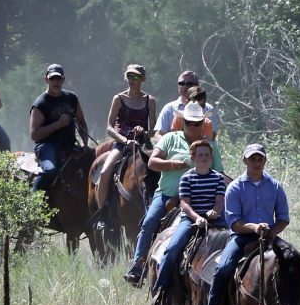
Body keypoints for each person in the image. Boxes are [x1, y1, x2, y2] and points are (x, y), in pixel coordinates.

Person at [207, 141, 300, 305]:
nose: (256, 162)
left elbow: (283, 218)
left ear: (265, 161)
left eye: (260, 158)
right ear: (245, 160)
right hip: (242, 238)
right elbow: (234, 222)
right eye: (252, 158)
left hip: (270, 237)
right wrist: (254, 227)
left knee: (296, 265)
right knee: (224, 268)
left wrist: (271, 233)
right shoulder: (234, 187)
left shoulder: (275, 186)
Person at [124, 102, 206, 285]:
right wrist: (172, 164)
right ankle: (137, 265)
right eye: (189, 122)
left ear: (202, 123)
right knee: (149, 222)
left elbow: (218, 172)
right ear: (182, 121)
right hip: (168, 193)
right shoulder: (170, 139)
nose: (193, 126)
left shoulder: (209, 144)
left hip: (199, 197)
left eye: (197, 123)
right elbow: (152, 163)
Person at [150, 138, 227, 305]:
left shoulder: (218, 178)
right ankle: (161, 288)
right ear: (193, 158)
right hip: (191, 218)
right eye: (200, 155)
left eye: (207, 154)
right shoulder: (186, 178)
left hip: (215, 218)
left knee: (234, 242)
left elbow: (220, 200)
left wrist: (216, 210)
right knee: (173, 247)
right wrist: (197, 217)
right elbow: (184, 203)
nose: (204, 158)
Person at [93, 63, 157, 211]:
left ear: (143, 79)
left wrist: (144, 131)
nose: (131, 79)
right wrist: (125, 141)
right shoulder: (119, 98)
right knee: (104, 172)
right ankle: (101, 214)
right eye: (129, 76)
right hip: (121, 144)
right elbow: (109, 127)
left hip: (143, 145)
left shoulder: (150, 100)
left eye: (135, 76)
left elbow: (153, 130)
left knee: (158, 171)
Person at [25, 64, 90, 199]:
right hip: (47, 146)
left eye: (58, 79)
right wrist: (58, 124)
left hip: (69, 145)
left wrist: (85, 144)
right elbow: (34, 134)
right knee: (50, 170)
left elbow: (81, 121)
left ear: (63, 79)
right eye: (53, 79)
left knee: (92, 163)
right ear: (46, 80)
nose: (56, 82)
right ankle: (33, 202)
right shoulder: (41, 103)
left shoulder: (71, 98)